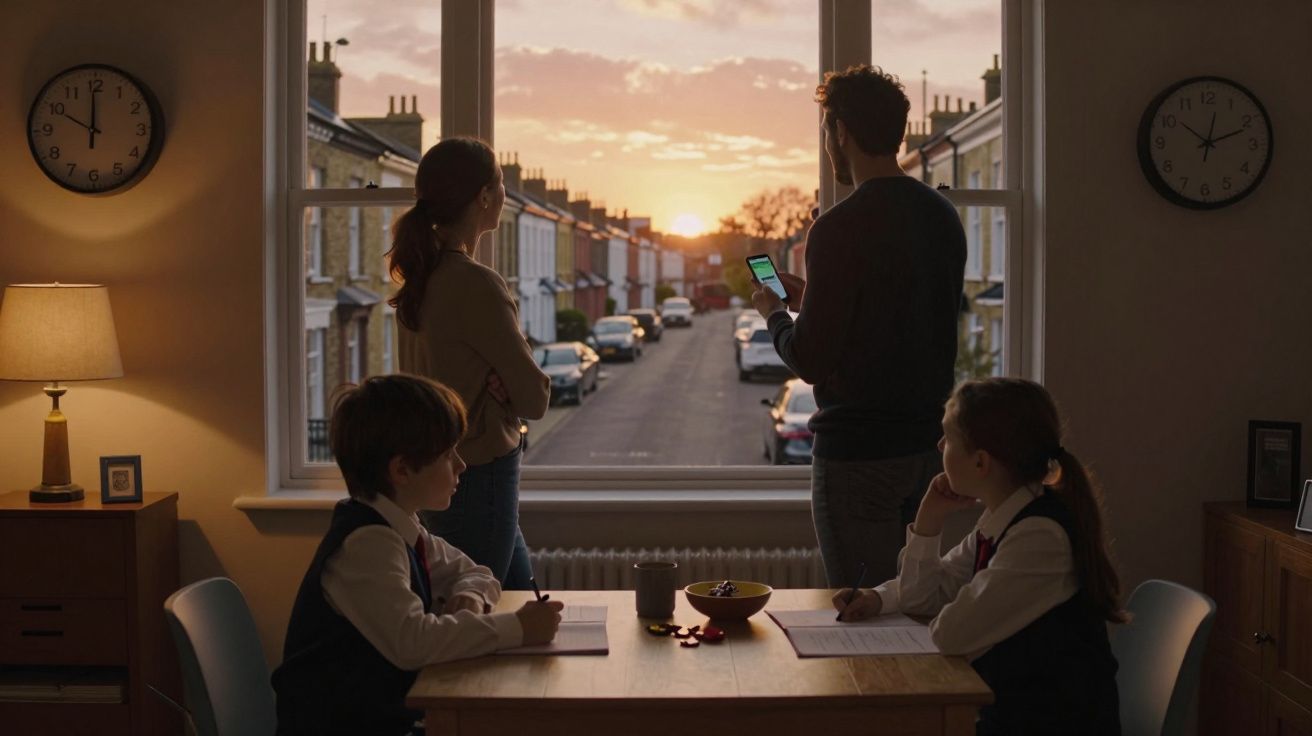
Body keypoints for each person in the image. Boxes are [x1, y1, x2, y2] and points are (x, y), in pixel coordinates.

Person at [751, 64, 967, 586]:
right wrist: (814, 300)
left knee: (863, 611)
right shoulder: (942, 217)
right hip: (926, 451)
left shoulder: (838, 228)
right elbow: (899, 318)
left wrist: (775, 314)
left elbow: (810, 360)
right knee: (914, 604)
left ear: (841, 132)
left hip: (858, 460)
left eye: (827, 131)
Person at [272, 375, 563, 736]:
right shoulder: (366, 545)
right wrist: (519, 628)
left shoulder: (400, 526)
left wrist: (470, 597)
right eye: (447, 454)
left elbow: (477, 572)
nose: (461, 465)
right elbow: (413, 642)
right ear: (402, 470)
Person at [834, 378, 1124, 736]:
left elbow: (951, 634)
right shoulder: (1005, 518)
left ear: (980, 462)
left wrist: (941, 603)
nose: (939, 446)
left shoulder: (1038, 538)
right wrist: (928, 521)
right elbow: (922, 597)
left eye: (948, 438)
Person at [389, 137, 550, 590]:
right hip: (479, 472)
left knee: (518, 597)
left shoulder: (420, 278)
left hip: (440, 466)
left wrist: (503, 383)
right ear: (484, 197)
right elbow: (535, 398)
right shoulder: (476, 284)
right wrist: (508, 387)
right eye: (500, 183)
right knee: (483, 603)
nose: (505, 193)